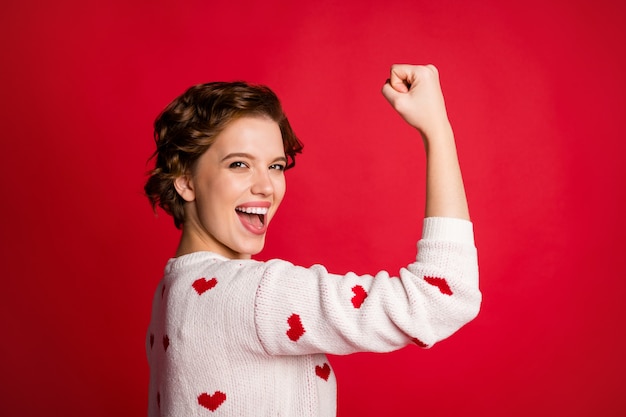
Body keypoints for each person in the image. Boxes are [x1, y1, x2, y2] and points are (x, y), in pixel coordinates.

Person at [144, 64, 481, 416]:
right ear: (185, 181)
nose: (266, 186)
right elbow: (443, 294)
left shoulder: (172, 293)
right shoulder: (254, 296)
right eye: (239, 164)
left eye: (275, 166)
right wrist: (438, 131)